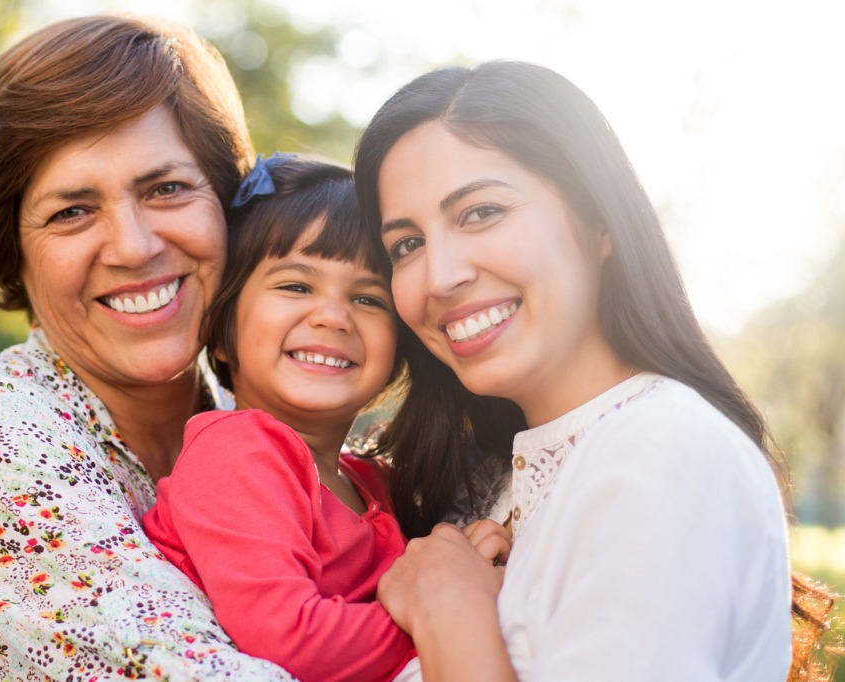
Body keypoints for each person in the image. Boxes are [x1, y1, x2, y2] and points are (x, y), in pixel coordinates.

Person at [353, 61, 834, 681]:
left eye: (480, 212)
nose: (440, 276)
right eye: (407, 245)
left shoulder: (663, 448)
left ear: (599, 219)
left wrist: (451, 608)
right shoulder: (489, 483)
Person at [0, 16, 294, 680]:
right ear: (14, 252)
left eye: (167, 188)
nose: (133, 246)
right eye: (72, 211)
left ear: (230, 208)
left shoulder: (258, 425)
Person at [141, 154, 419, 682]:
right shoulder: (238, 453)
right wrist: (446, 616)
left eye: (367, 298)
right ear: (222, 333)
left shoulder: (373, 479)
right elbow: (290, 640)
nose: (333, 316)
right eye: (296, 286)